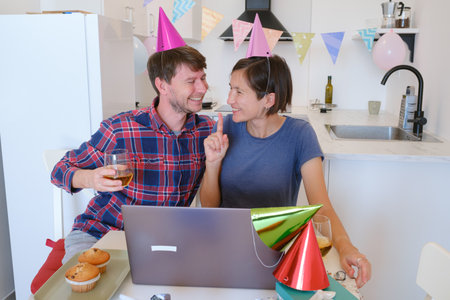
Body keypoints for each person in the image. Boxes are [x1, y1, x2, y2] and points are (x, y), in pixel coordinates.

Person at [199, 55, 371, 288]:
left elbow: (322, 206)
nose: (229, 99)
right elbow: (209, 207)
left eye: (239, 92)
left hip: (275, 253)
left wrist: (347, 248)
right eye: (231, 89)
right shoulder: (226, 128)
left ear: (268, 99)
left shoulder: (300, 135)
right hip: (223, 246)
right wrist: (212, 163)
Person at [52, 45, 214, 263]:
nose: (203, 88)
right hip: (101, 233)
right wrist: (92, 178)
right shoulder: (120, 128)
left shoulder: (206, 131)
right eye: (191, 81)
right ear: (162, 86)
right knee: (90, 289)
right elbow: (60, 170)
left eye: (202, 78)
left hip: (163, 240)